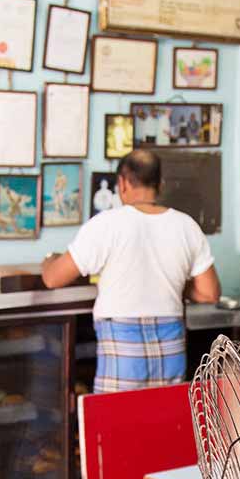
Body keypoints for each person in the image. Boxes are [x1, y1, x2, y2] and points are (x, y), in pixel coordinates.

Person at [42, 149, 220, 391]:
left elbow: (53, 278)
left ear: (123, 183)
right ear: (161, 184)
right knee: (166, 422)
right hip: (170, 346)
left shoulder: (105, 225)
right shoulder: (186, 225)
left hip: (121, 344)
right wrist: (169, 280)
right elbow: (209, 293)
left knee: (118, 423)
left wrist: (48, 261)